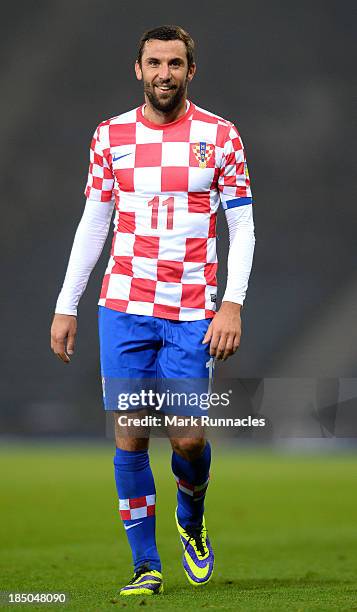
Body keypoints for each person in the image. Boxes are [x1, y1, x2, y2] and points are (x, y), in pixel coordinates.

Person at [50, 24, 255, 597]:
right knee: (131, 434)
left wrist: (232, 304)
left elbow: (241, 225)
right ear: (137, 69)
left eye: (175, 63)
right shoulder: (110, 137)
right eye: (154, 63)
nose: (164, 73)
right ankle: (146, 566)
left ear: (192, 71)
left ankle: (192, 519)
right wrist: (67, 304)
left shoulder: (220, 136)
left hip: (193, 311)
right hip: (125, 307)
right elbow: (95, 223)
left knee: (188, 439)